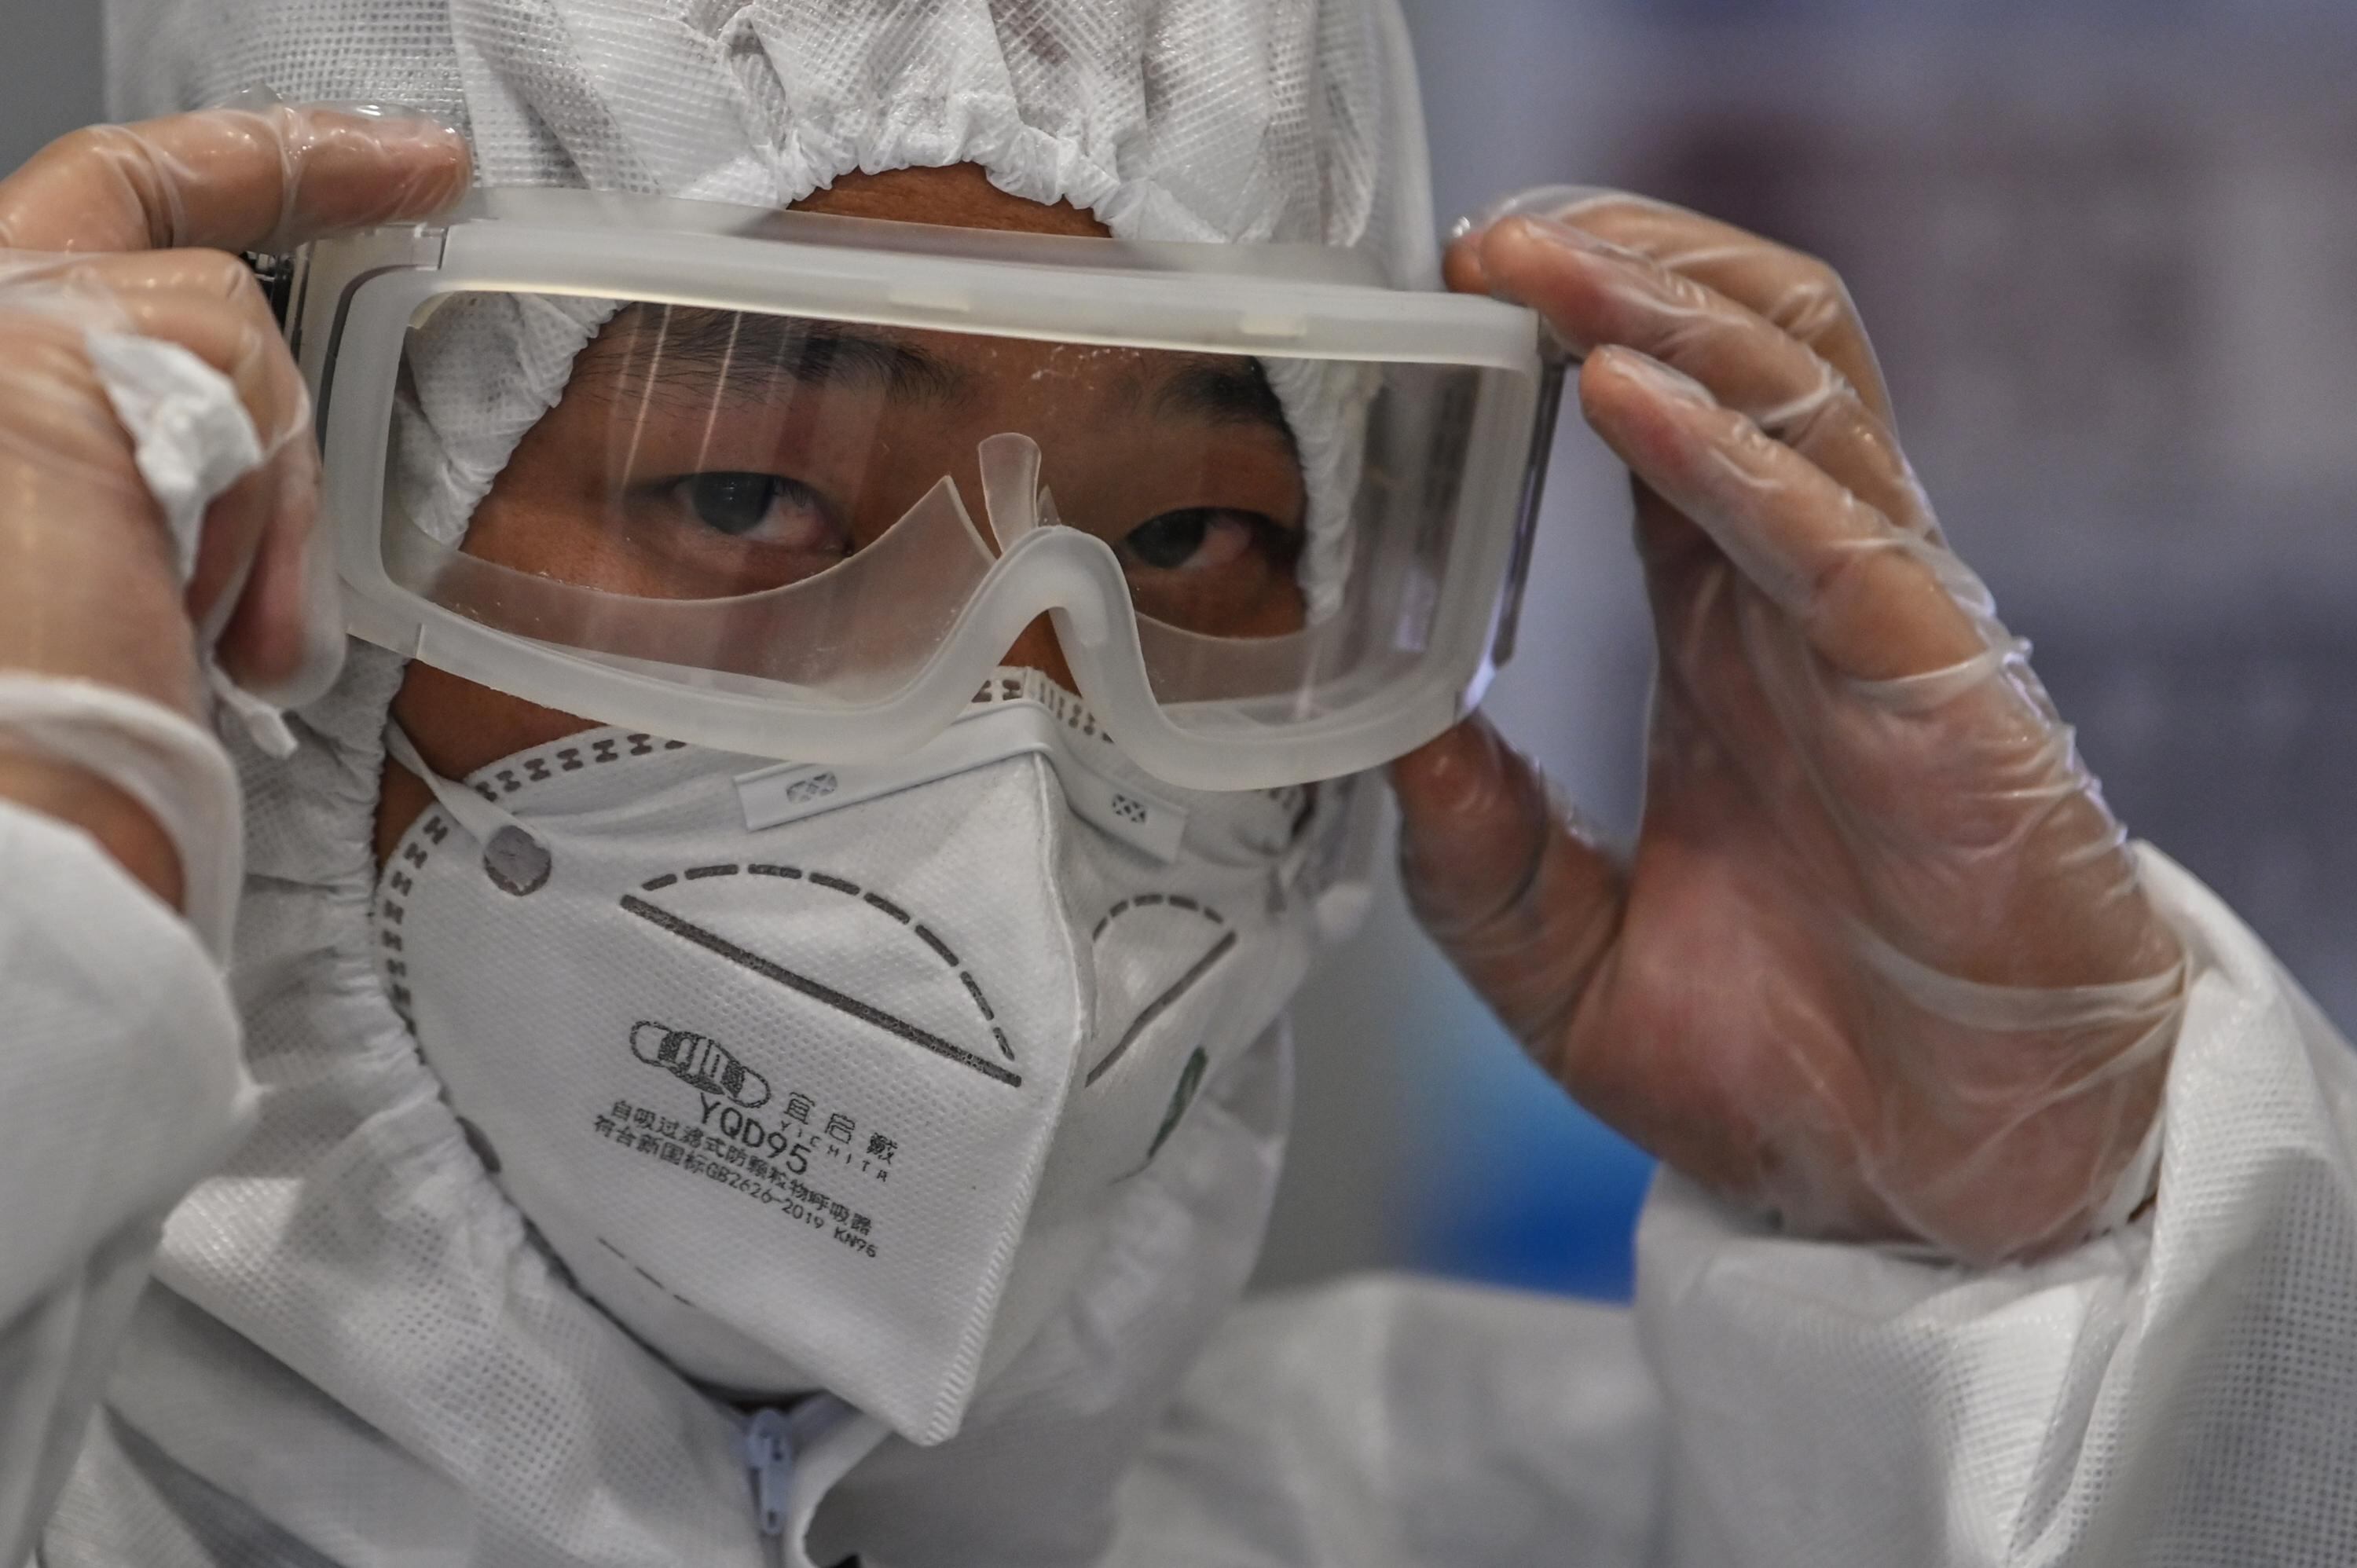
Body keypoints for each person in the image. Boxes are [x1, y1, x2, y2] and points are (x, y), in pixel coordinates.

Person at [1, 1, 2352, 1564]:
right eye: (747, 498)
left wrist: (2053, 1264)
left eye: (1201, 542)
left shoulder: (1543, 1517)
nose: (1009, 777)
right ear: (244, 546)